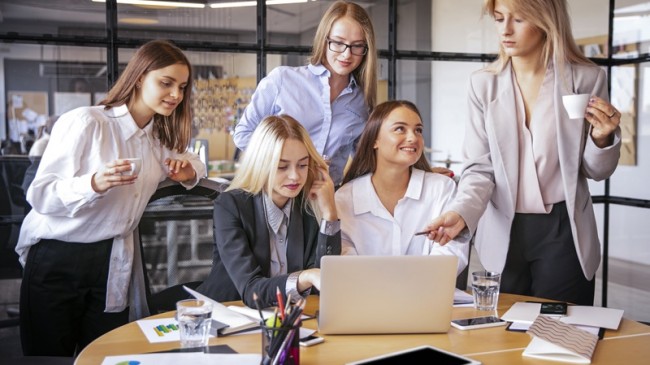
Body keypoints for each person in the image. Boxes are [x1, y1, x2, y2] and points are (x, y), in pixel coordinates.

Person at [16, 39, 206, 356]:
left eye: (182, 86)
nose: (176, 95)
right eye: (166, 83)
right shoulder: (87, 122)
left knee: (107, 354)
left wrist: (190, 172)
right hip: (58, 257)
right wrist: (94, 182)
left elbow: (196, 163)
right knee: (48, 357)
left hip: (113, 260)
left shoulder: (158, 139)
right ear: (139, 77)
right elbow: (41, 195)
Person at [424, 0, 621, 305]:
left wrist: (602, 137)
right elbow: (480, 169)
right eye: (499, 19)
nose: (505, 30)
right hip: (503, 227)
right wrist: (461, 213)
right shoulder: (483, 85)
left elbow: (596, 171)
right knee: (503, 335)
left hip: (564, 229)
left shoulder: (586, 78)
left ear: (545, 22)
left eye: (518, 20)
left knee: (562, 333)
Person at [197, 115, 340, 309]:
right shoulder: (230, 205)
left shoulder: (308, 206)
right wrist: (305, 277)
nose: (295, 176)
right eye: (282, 166)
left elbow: (324, 283)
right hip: (229, 318)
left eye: (302, 165)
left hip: (289, 321)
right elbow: (251, 290)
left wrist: (330, 213)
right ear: (261, 164)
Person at [233, 0, 377, 185]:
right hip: (278, 195)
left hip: (327, 199)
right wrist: (291, 162)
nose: (346, 54)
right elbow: (243, 134)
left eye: (357, 45)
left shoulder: (361, 101)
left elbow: (363, 160)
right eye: (338, 43)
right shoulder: (282, 80)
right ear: (324, 40)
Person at [335, 100, 469, 275]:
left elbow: (451, 253)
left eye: (418, 130)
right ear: (374, 139)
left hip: (426, 298)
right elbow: (345, 262)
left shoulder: (441, 188)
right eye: (400, 129)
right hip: (367, 298)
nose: (413, 138)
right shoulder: (345, 197)